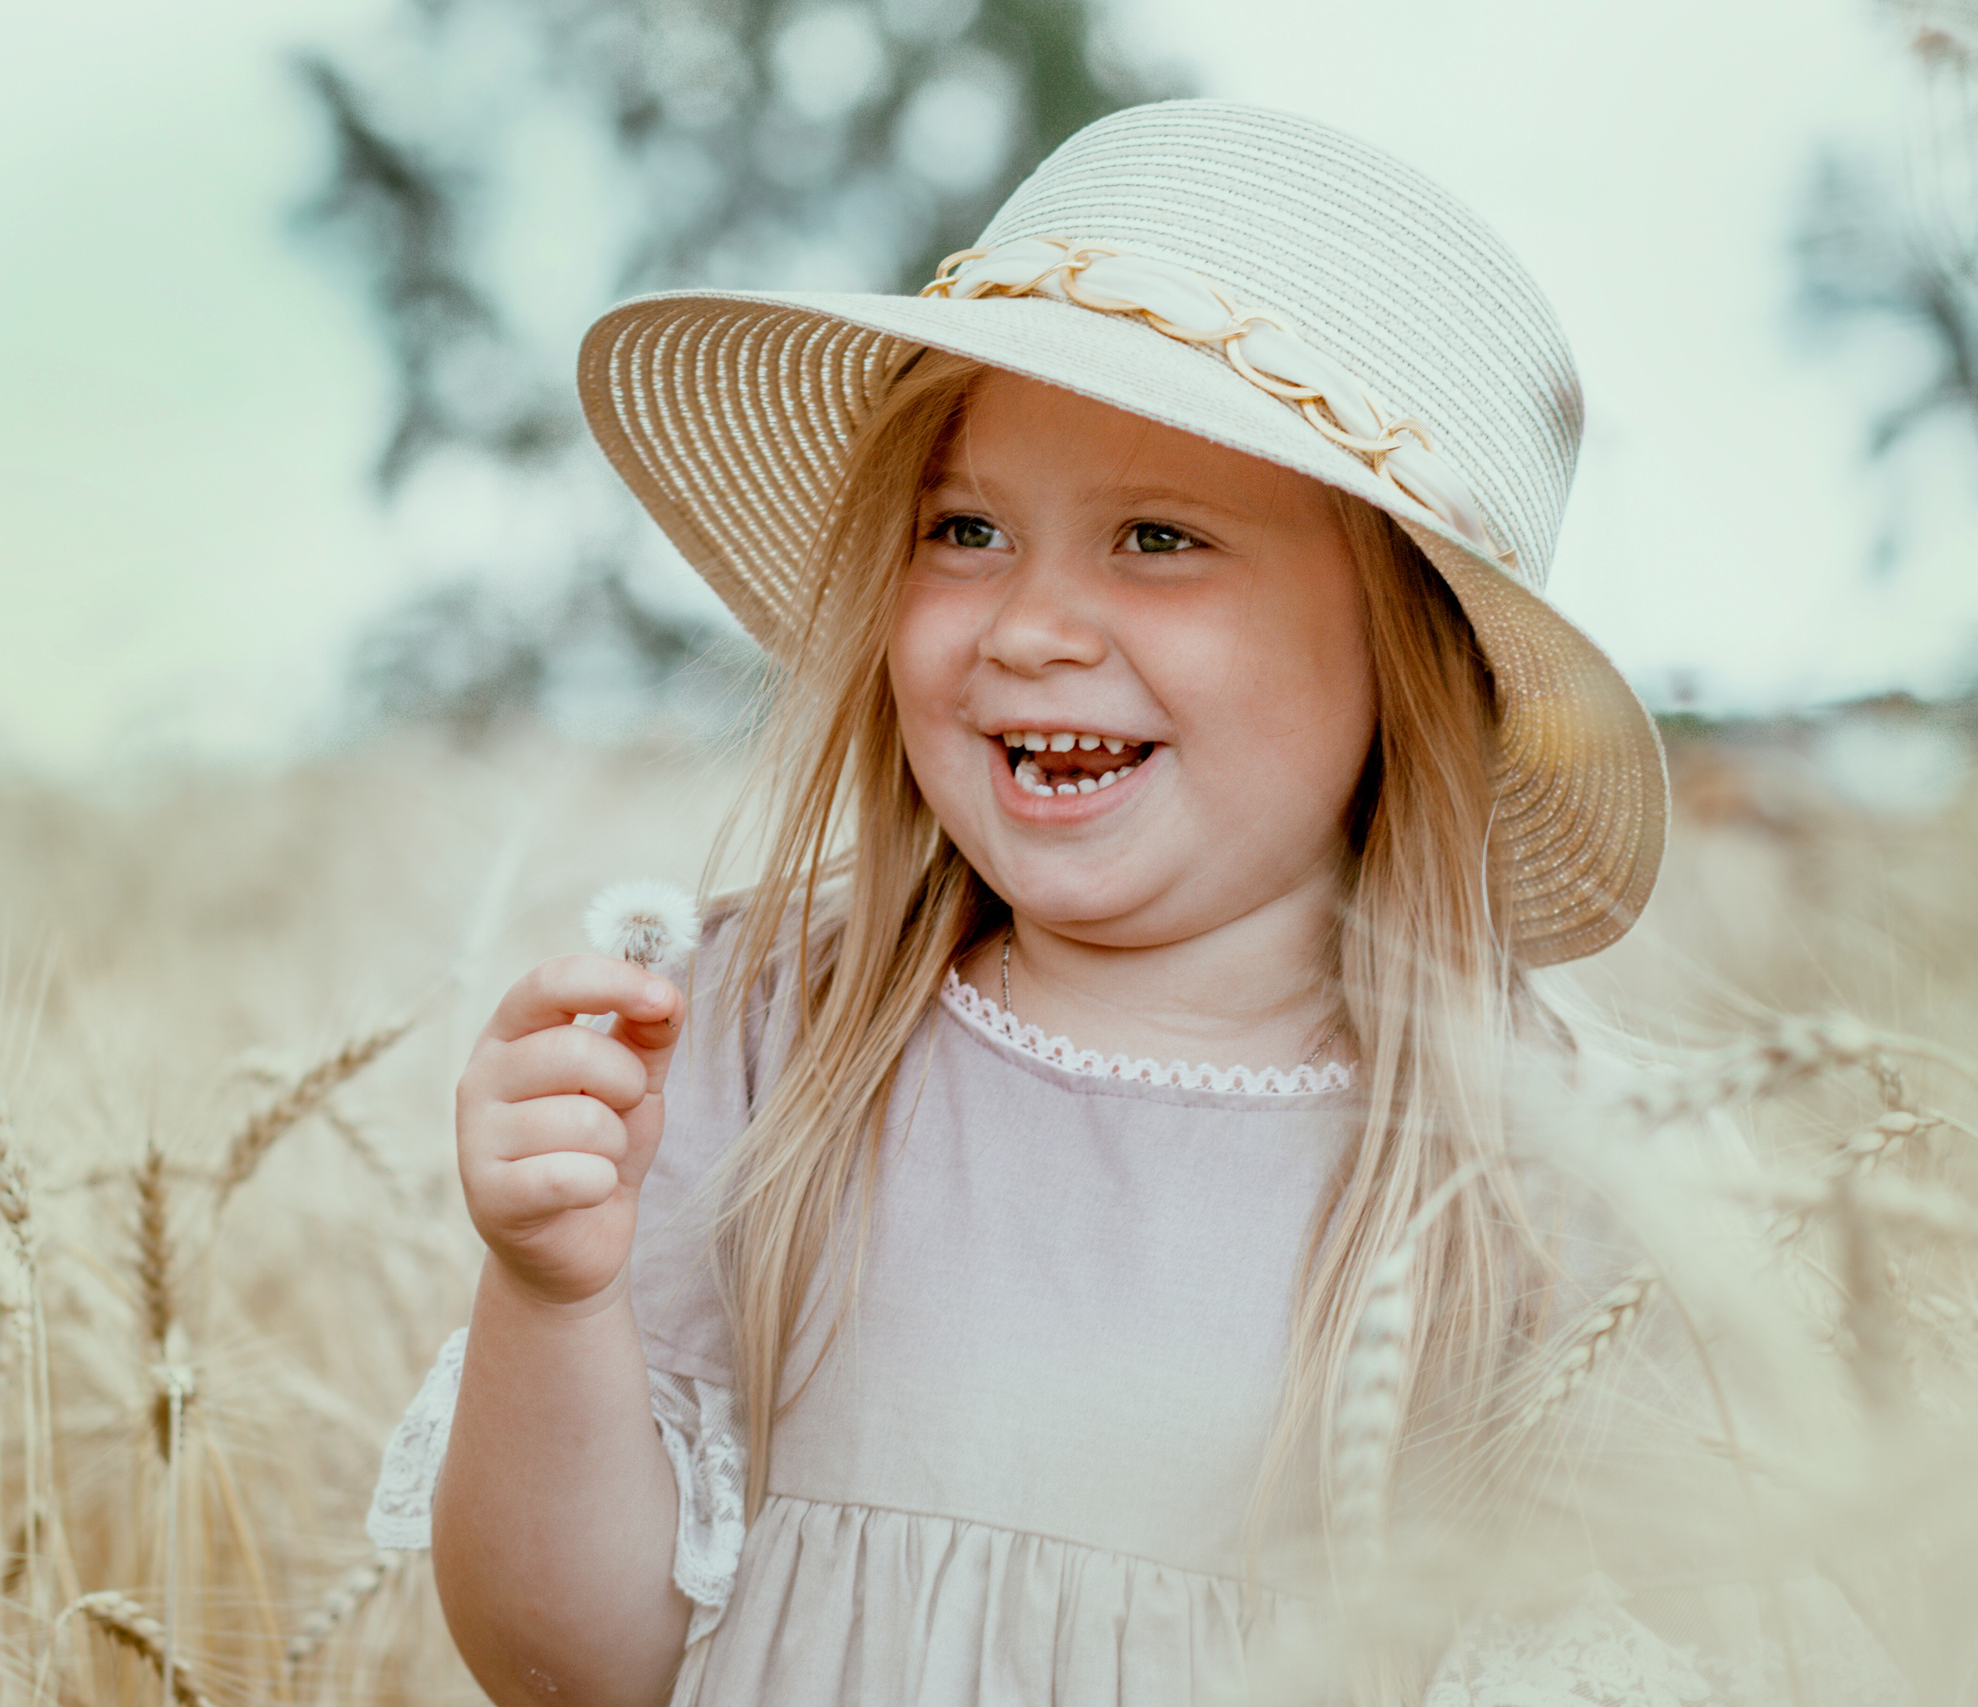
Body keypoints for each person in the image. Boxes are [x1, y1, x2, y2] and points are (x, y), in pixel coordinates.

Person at [364, 100, 1862, 1707]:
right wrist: (551, 1295)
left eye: (1159, 537)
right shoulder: (763, 1042)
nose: (1030, 626)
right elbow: (575, 1667)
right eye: (965, 530)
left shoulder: (1536, 1182)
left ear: (1407, 650)